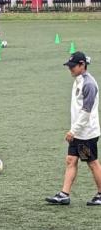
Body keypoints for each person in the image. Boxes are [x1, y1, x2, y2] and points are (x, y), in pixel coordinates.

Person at [46, 51, 101, 206]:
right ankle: (64, 194)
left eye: (72, 66)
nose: (70, 69)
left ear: (82, 65)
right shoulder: (78, 79)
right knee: (71, 160)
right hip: (78, 132)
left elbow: (86, 111)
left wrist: (73, 131)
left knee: (92, 163)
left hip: (86, 134)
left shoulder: (89, 84)